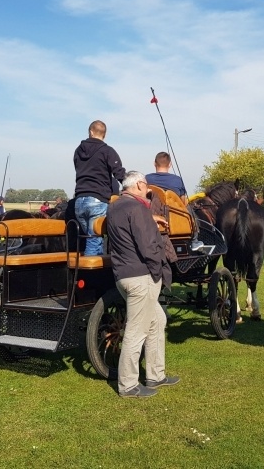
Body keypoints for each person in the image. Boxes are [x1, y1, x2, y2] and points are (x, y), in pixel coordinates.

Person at [106, 171, 178, 398]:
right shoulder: (137, 208)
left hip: (123, 276)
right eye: (146, 185)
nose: (148, 189)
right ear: (138, 184)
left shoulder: (115, 207)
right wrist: (158, 271)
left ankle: (156, 375)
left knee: (158, 320)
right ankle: (127, 385)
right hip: (141, 277)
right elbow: (148, 246)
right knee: (136, 332)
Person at [73, 120, 125, 255]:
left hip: (79, 201)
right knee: (94, 240)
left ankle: (92, 271)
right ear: (105, 134)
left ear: (90, 132)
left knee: (92, 239)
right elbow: (119, 173)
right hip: (97, 199)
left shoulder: (78, 151)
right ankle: (90, 275)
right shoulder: (107, 151)